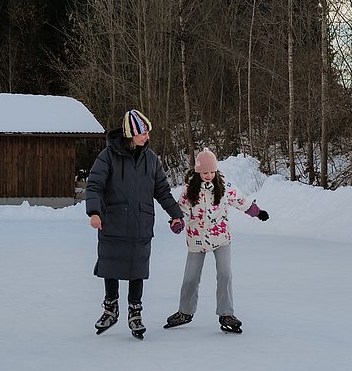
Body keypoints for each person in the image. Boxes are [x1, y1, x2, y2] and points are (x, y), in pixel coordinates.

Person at [85, 108, 184, 339]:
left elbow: (162, 190)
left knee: (137, 267)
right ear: (131, 134)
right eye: (143, 133)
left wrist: (176, 214)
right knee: (110, 264)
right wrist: (94, 212)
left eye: (147, 133)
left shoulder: (151, 160)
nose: (147, 137)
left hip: (141, 222)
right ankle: (110, 308)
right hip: (113, 221)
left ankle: (135, 311)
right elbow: (94, 185)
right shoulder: (107, 156)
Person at [164, 148, 269, 334]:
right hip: (197, 238)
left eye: (212, 171)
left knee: (225, 275)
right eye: (205, 172)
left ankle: (226, 313)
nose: (209, 175)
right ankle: (185, 312)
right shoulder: (190, 189)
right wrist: (177, 223)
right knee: (191, 278)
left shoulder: (223, 185)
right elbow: (182, 211)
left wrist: (257, 212)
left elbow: (240, 200)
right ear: (198, 171)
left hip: (221, 238)